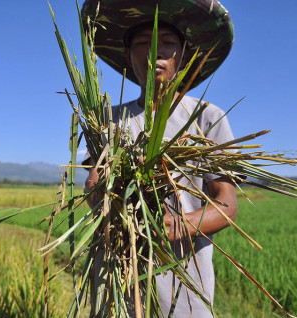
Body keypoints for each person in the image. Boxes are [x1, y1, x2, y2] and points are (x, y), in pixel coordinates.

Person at [81, 0, 237, 316]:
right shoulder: (108, 120)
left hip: (182, 277)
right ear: (128, 55)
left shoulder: (206, 118)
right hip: (117, 270)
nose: (156, 52)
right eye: (143, 43)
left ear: (183, 52)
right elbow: (93, 187)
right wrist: (118, 214)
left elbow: (226, 205)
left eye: (167, 42)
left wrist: (176, 226)